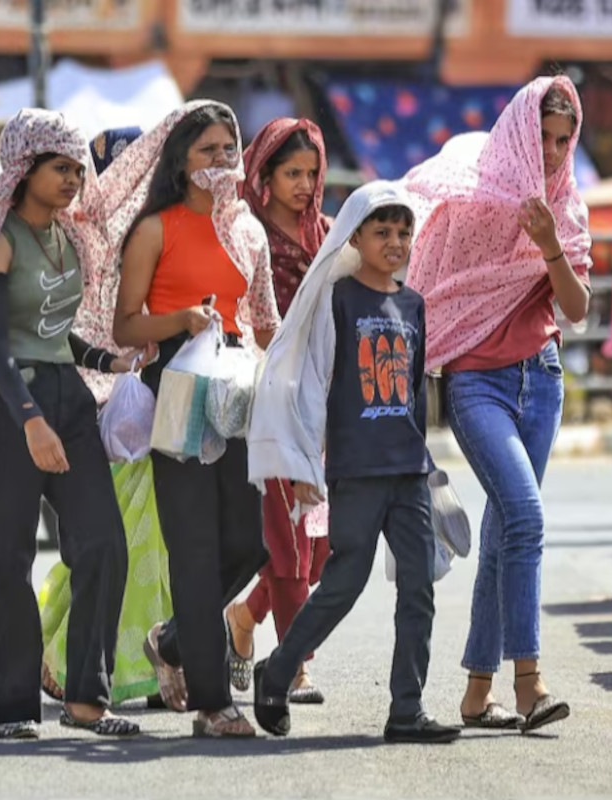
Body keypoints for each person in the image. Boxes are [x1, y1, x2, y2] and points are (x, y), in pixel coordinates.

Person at [404, 76, 592, 733]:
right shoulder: (473, 191)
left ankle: (477, 693)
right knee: (526, 516)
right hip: (475, 383)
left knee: (506, 530)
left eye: (564, 140)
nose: (550, 150)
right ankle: (531, 682)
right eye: (542, 136)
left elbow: (576, 309)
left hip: (541, 378)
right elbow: (434, 280)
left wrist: (548, 244)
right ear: (518, 129)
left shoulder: (567, 204)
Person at [0, 108, 142, 740]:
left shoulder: (68, 236)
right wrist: (30, 421)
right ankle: (8, 708)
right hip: (12, 407)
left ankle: (87, 698)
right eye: (60, 168)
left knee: (104, 545)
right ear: (24, 167)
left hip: (68, 398)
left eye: (77, 170)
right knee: (7, 559)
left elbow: (58, 335)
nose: (72, 180)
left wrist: (107, 359)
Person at [248, 181, 459, 744]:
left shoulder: (413, 304)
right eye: (382, 232)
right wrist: (303, 466)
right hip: (356, 473)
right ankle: (277, 670)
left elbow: (415, 396)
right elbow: (312, 382)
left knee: (419, 587)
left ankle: (406, 711)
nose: (395, 242)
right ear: (356, 237)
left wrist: (428, 464)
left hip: (409, 473)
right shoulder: (336, 300)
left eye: (404, 232)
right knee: (344, 580)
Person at [99, 100, 282, 737]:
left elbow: (265, 320)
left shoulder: (250, 231)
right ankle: (213, 704)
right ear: (180, 162)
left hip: (236, 390)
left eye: (229, 150)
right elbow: (124, 326)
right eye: (207, 151)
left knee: (252, 542)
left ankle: (172, 639)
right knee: (195, 547)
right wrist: (180, 321)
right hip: (175, 385)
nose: (221, 162)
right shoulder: (156, 229)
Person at [38, 126, 175, 707]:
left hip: (142, 401)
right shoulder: (75, 232)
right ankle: (70, 658)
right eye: (117, 174)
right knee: (103, 542)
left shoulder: (158, 231)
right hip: (85, 404)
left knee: (150, 538)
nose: (127, 187)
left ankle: (140, 663)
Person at [226, 117, 333, 703]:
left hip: (324, 404)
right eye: (291, 172)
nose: (302, 184)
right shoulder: (247, 234)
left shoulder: (330, 235)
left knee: (324, 548)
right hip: (271, 401)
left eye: (311, 173)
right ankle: (293, 665)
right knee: (289, 542)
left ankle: (244, 619)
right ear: (263, 175)